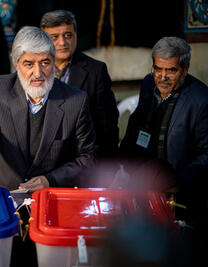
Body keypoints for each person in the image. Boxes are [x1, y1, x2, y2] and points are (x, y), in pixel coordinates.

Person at [0, 26, 96, 201]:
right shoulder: (0, 89)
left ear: (53, 60)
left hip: (50, 198)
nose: (37, 73)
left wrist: (50, 180)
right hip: (1, 193)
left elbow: (88, 158)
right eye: (29, 64)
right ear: (16, 64)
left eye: (45, 63)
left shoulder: (76, 101)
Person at [120, 37, 208, 229]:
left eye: (171, 70)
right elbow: (137, 124)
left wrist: (178, 183)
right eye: (158, 69)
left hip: (178, 195)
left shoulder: (201, 100)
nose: (162, 76)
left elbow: (206, 154)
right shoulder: (148, 83)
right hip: (142, 184)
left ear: (185, 69)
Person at [40, 10, 119, 158]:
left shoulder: (96, 71)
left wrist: (108, 167)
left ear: (76, 35)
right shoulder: (35, 69)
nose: (62, 42)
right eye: (54, 37)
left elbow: (108, 125)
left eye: (68, 35)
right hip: (43, 161)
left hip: (83, 160)